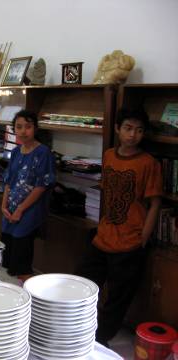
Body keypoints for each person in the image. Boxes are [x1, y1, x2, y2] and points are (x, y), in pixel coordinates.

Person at [76, 108, 162, 347]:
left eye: (139, 130)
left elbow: (155, 203)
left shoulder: (149, 163)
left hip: (130, 241)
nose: (133, 135)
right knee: (84, 283)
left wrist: (143, 237)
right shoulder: (109, 155)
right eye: (128, 128)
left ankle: (100, 342)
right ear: (117, 128)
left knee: (117, 298)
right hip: (103, 236)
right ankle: (78, 329)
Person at [1, 110, 56, 283]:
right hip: (10, 209)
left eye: (28, 127)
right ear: (14, 129)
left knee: (21, 260)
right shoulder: (16, 152)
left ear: (35, 129)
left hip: (29, 211)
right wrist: (3, 206)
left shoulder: (43, 153)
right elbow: (9, 181)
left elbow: (41, 186)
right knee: (8, 258)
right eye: (19, 127)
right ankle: (13, 293)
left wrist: (20, 209)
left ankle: (28, 298)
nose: (23, 131)